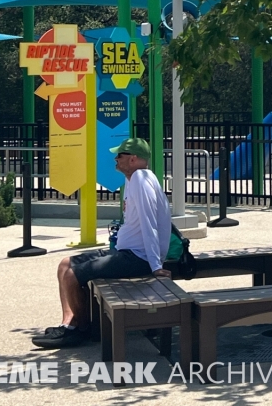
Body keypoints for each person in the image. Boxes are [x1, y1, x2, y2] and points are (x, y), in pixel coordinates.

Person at [32, 137, 172, 349]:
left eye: (120, 155)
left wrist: (155, 266)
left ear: (133, 159)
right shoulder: (133, 179)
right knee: (64, 264)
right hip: (125, 252)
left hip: (138, 258)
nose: (116, 159)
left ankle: (81, 330)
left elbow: (149, 223)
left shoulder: (141, 180)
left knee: (71, 275)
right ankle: (68, 324)